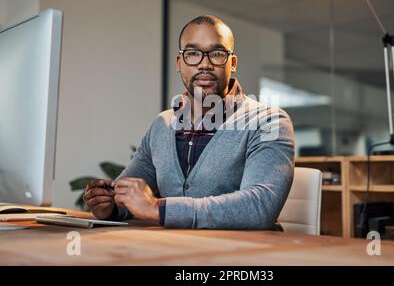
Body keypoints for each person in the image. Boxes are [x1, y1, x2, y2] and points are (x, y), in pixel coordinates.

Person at [83, 14, 295, 229]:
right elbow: (129, 195)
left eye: (217, 53)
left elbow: (259, 207)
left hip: (243, 254)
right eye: (192, 53)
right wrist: (109, 204)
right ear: (179, 62)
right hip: (175, 251)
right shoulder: (162, 125)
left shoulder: (269, 122)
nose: (205, 64)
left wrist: (158, 208)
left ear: (232, 63)